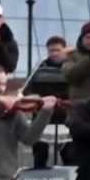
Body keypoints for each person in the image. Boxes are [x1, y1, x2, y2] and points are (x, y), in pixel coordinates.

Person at [31, 36, 70, 169]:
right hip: (43, 116)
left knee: (70, 156)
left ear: (65, 50)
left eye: (57, 50)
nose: (54, 53)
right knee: (40, 154)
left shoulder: (73, 68)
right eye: (51, 51)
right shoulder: (40, 68)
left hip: (66, 117)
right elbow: (29, 90)